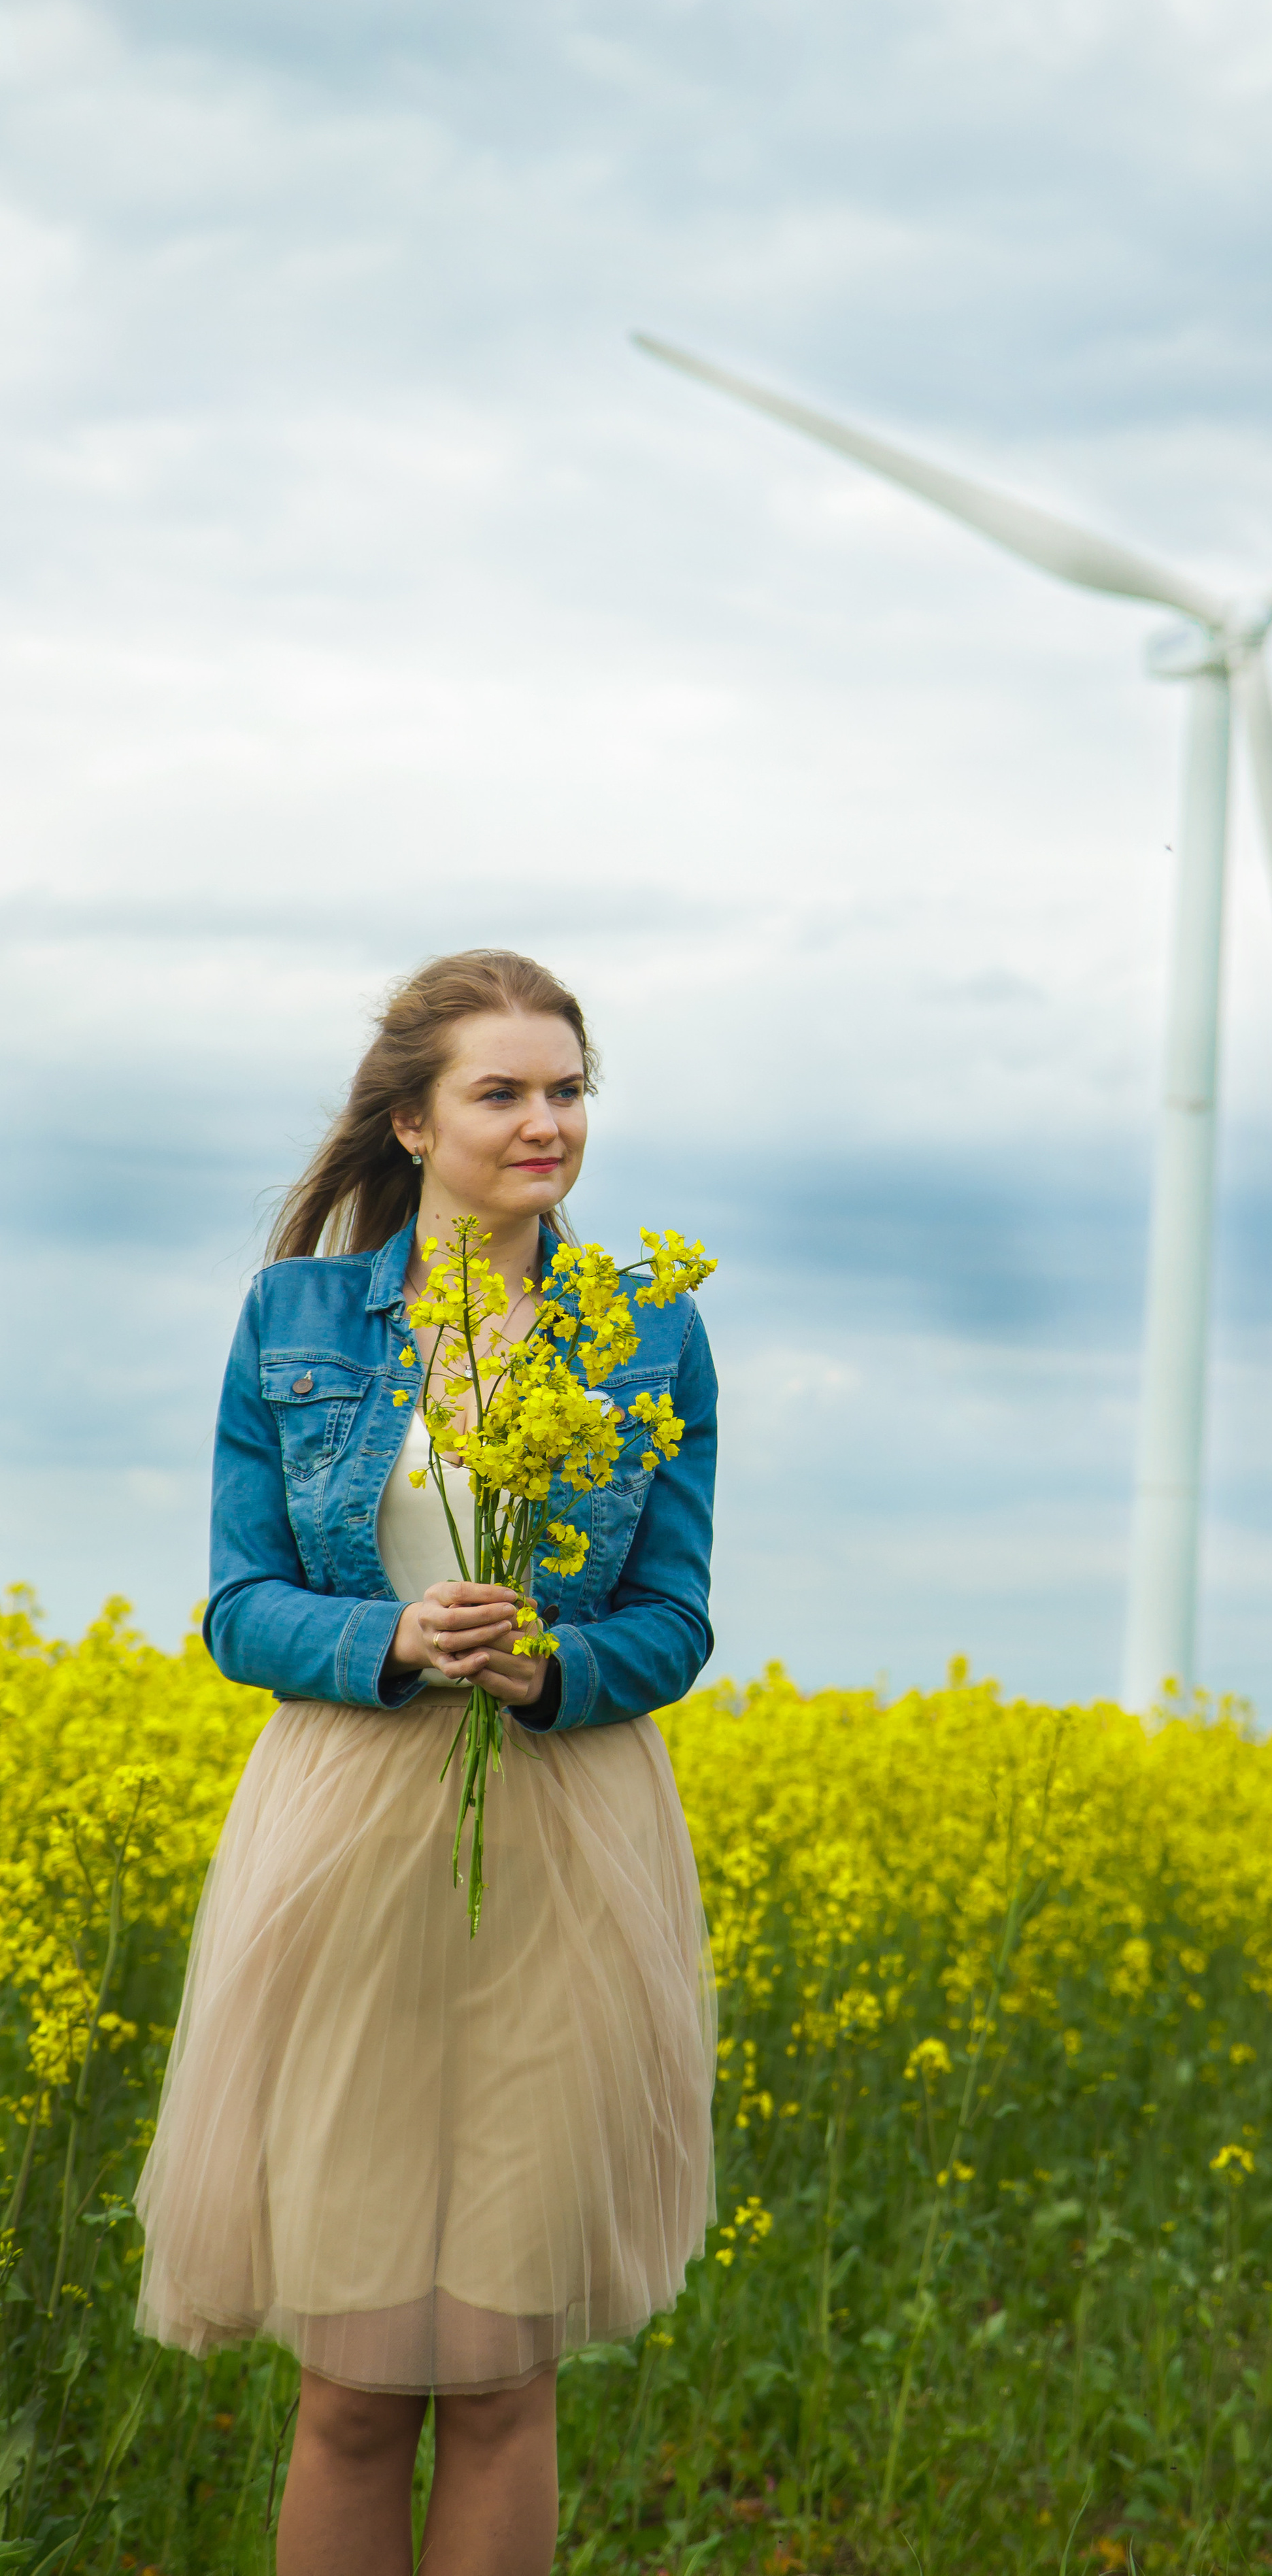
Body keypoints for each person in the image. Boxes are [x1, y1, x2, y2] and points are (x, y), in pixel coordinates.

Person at [135, 948, 718, 2576]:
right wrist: (386, 1639)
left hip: (560, 1844)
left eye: (569, 1091)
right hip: (349, 1839)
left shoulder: (650, 1331)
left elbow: (675, 1618)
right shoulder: (297, 1317)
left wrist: (557, 1668)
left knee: (504, 2382)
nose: (548, 1125)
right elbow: (238, 1605)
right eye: (503, 1093)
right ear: (410, 1121)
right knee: (351, 2389)